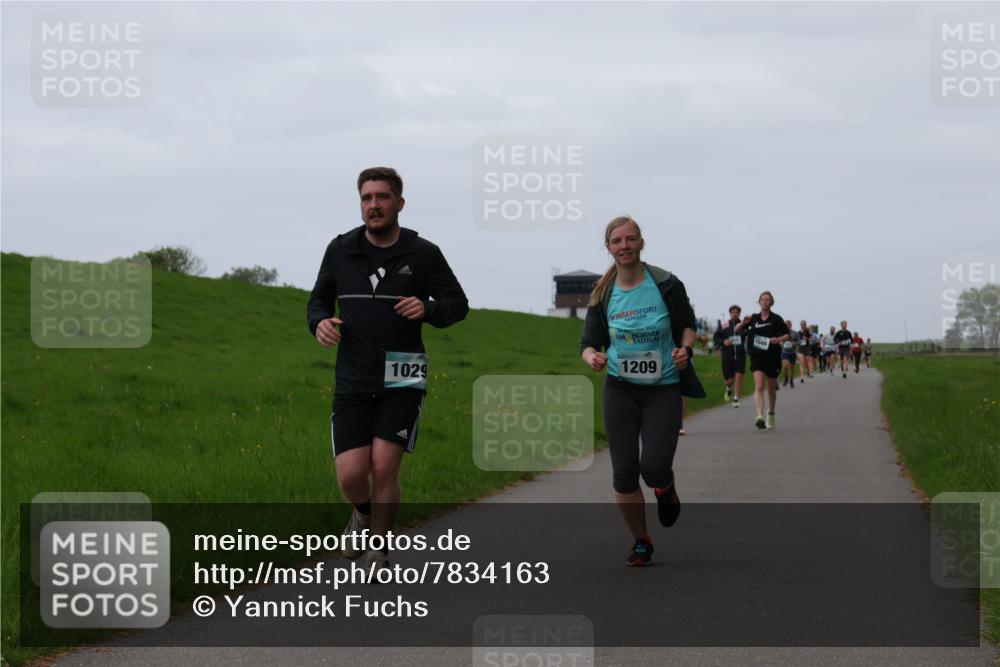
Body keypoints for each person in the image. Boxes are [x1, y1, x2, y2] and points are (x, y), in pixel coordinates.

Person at [307, 167, 469, 569]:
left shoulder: (423, 253)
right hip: (353, 377)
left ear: (399, 203)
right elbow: (318, 301)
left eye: (381, 197)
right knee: (350, 474)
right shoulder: (340, 249)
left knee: (384, 466)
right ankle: (362, 513)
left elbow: (457, 304)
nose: (374, 205)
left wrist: (427, 308)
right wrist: (320, 323)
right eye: (366, 198)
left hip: (404, 375)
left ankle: (380, 547)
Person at [580, 216, 705, 567]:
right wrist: (593, 358)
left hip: (662, 388)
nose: (624, 246)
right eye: (617, 241)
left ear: (641, 243)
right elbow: (588, 343)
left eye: (630, 239)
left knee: (653, 468)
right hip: (620, 388)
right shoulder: (604, 294)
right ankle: (641, 540)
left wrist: (685, 350)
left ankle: (665, 489)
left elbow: (687, 327)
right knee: (623, 473)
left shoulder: (665, 283)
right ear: (609, 247)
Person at [734, 292, 789, 430]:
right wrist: (743, 323)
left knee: (770, 388)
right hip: (756, 355)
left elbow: (786, 335)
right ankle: (759, 416)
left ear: (771, 303)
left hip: (772, 356)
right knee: (759, 386)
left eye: (768, 300)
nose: (765, 301)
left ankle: (770, 412)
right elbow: (736, 330)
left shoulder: (776, 319)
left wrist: (777, 340)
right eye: (763, 299)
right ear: (759, 302)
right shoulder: (753, 318)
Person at [715, 305, 747, 408]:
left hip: (740, 355)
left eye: (736, 312)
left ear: (739, 314)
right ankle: (729, 389)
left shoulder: (743, 325)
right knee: (729, 380)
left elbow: (749, 335)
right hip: (727, 355)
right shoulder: (724, 325)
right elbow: (716, 337)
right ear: (730, 313)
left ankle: (736, 398)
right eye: (733, 312)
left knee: (739, 376)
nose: (734, 314)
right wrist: (723, 342)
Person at [780, 320, 799, 388]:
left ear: (791, 325)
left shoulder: (795, 333)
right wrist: (781, 343)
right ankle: (786, 378)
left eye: (789, 324)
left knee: (792, 367)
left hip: (792, 352)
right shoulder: (782, 332)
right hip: (784, 351)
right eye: (786, 325)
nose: (787, 326)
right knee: (785, 365)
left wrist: (794, 343)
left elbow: (799, 341)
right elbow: (779, 340)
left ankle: (791, 381)